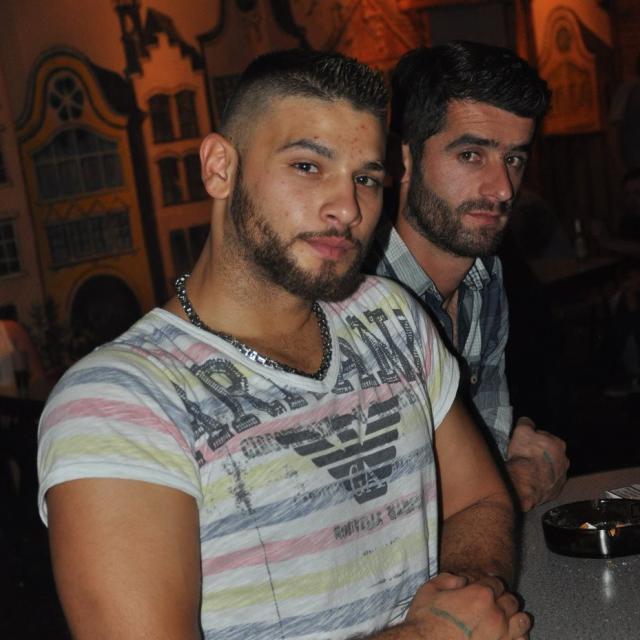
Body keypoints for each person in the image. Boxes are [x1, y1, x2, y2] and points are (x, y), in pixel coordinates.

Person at [38, 50, 530, 639]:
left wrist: (469, 595)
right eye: (307, 166)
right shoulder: (118, 402)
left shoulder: (390, 315)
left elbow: (478, 502)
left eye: (366, 179)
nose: (347, 208)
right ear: (220, 168)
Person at [368, 41, 569, 512]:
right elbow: (390, 516)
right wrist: (519, 484)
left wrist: (499, 486)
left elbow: (484, 467)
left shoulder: (485, 279)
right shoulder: (361, 303)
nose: (502, 189)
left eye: (514, 159)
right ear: (402, 161)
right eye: (471, 155)